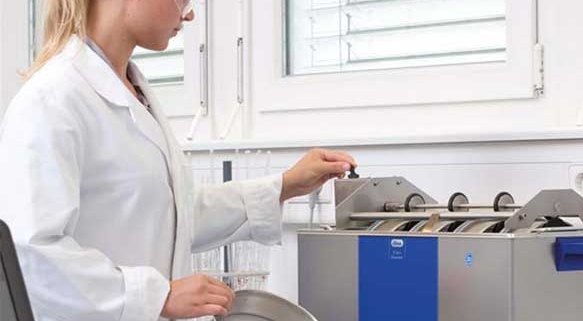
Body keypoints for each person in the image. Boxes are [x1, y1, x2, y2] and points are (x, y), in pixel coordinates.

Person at [0, 0, 357, 320]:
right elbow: (30, 256)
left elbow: (170, 215)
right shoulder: (51, 100)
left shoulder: (134, 91)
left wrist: (283, 186)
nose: (189, 12)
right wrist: (159, 295)